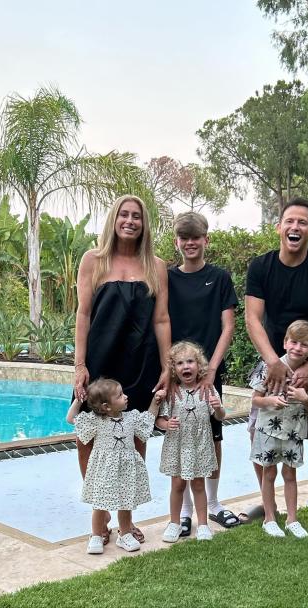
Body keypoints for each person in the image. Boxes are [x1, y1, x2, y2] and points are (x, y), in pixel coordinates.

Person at [73, 194, 170, 545]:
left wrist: (166, 366)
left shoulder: (156, 266)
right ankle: (100, 518)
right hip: (99, 363)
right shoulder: (93, 260)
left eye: (137, 216)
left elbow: (161, 318)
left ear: (144, 224)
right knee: (88, 440)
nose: (130, 221)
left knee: (135, 439)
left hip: (140, 361)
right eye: (124, 215)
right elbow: (83, 315)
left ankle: (126, 518)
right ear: (114, 219)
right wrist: (80, 364)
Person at [245, 197, 308, 541]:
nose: (295, 227)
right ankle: (269, 505)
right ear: (279, 227)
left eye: (303, 222)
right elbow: (252, 318)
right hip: (274, 362)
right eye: (290, 221)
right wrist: (274, 361)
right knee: (259, 434)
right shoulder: (261, 267)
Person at [167, 212, 239, 536]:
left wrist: (210, 370)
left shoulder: (220, 278)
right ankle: (183, 514)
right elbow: (161, 324)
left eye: (196, 237)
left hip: (209, 374)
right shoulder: (168, 279)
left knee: (213, 437)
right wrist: (168, 370)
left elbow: (228, 327)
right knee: (180, 436)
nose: (190, 243)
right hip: (177, 375)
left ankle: (211, 505)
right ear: (177, 242)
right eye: (185, 237)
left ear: (206, 240)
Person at [66, 378, 160, 554]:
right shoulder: (95, 420)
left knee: (126, 503)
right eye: (120, 395)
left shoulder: (131, 417)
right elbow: (71, 418)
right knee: (99, 503)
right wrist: (79, 400)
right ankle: (96, 535)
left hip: (126, 469)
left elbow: (148, 420)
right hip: (103, 469)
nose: (125, 396)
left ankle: (124, 535)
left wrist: (155, 402)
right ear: (106, 406)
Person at [250, 320, 308, 538]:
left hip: (294, 432)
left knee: (290, 474)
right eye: (294, 342)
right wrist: (270, 400)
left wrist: (304, 398)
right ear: (285, 342)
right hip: (268, 431)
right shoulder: (268, 366)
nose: (298, 348)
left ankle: (292, 519)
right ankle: (269, 518)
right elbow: (254, 400)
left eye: (304, 345)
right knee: (269, 473)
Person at [156, 341, 226, 543]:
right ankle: (174, 523)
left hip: (199, 444)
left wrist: (218, 407)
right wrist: (166, 424)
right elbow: (159, 420)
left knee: (198, 484)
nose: (186, 366)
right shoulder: (171, 392)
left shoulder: (208, 389)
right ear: (173, 369)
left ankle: (203, 524)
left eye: (190, 362)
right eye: (179, 363)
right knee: (177, 485)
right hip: (177, 445)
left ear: (199, 365)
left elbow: (220, 416)